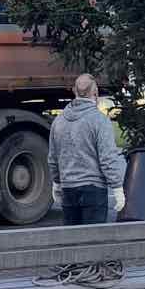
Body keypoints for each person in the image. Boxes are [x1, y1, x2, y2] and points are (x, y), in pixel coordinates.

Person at [47, 74, 127, 225]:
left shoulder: (59, 121)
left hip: (68, 189)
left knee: (72, 242)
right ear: (95, 92)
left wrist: (57, 183)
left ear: (73, 91)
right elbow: (107, 158)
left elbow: (53, 158)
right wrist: (117, 188)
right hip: (94, 191)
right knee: (93, 243)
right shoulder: (99, 120)